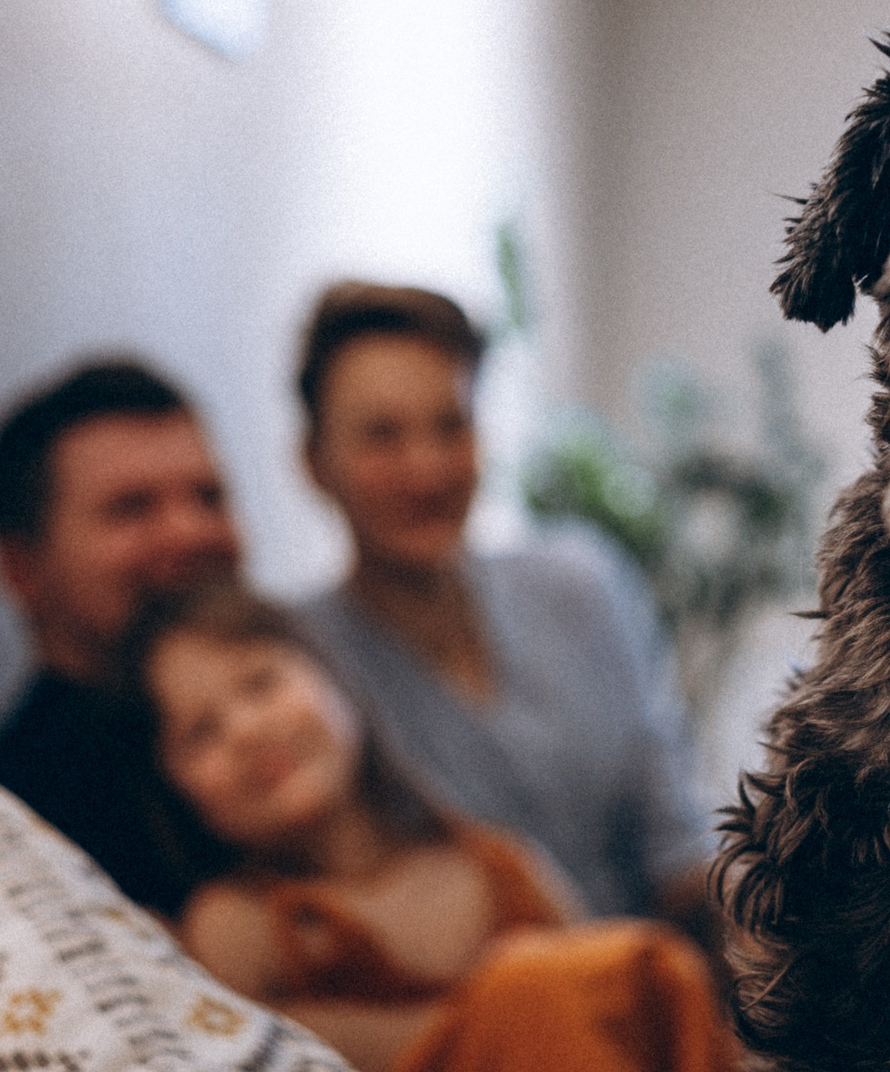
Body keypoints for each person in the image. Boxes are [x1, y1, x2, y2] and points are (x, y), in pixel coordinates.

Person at [135, 583, 734, 1072]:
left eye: (261, 682)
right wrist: (503, 1006)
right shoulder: (241, 924)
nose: (245, 730)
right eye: (201, 733)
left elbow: (616, 1015)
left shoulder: (500, 865)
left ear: (339, 683)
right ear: (179, 795)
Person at [286, 283, 716, 931]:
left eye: (450, 424)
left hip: (670, 981)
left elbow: (681, 843)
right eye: (382, 435)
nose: (426, 467)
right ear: (315, 463)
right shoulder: (302, 666)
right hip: (502, 1006)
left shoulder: (583, 584)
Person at [0, 358, 244, 915]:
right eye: (132, 508)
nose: (192, 531)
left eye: (208, 497)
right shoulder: (42, 798)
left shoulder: (299, 693)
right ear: (20, 568)